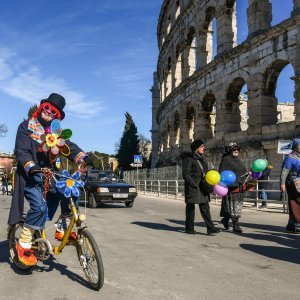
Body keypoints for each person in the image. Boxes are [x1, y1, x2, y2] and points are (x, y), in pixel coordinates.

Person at [8, 93, 93, 266]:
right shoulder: (26, 127)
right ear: (42, 108)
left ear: (57, 116)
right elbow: (21, 151)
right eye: (46, 108)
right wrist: (31, 166)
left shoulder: (55, 133)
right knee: (39, 207)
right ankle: (23, 244)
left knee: (71, 189)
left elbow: (68, 147)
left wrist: (83, 157)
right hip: (31, 177)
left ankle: (63, 227)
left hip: (50, 175)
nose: (48, 112)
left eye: (53, 111)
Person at [181, 139, 221, 235]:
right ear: (196, 148)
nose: (204, 148)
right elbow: (185, 173)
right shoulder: (188, 159)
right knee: (190, 208)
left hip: (203, 186)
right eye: (201, 146)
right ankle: (189, 228)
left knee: (205, 207)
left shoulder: (202, 158)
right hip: (193, 187)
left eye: (203, 146)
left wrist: (212, 172)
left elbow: (205, 172)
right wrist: (193, 184)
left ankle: (210, 228)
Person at [219, 142, 247, 233]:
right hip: (231, 187)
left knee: (237, 206)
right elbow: (222, 173)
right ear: (230, 150)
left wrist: (248, 173)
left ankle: (225, 220)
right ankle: (236, 224)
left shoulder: (239, 160)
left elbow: (242, 172)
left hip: (240, 186)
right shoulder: (226, 160)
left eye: (237, 149)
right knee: (232, 206)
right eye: (234, 149)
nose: (236, 151)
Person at [280, 138, 300, 233]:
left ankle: (291, 225)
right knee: (295, 203)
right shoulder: (290, 158)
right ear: (296, 147)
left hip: (299, 183)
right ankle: (296, 224)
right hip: (292, 183)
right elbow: (284, 172)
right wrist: (282, 183)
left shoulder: (299, 157)